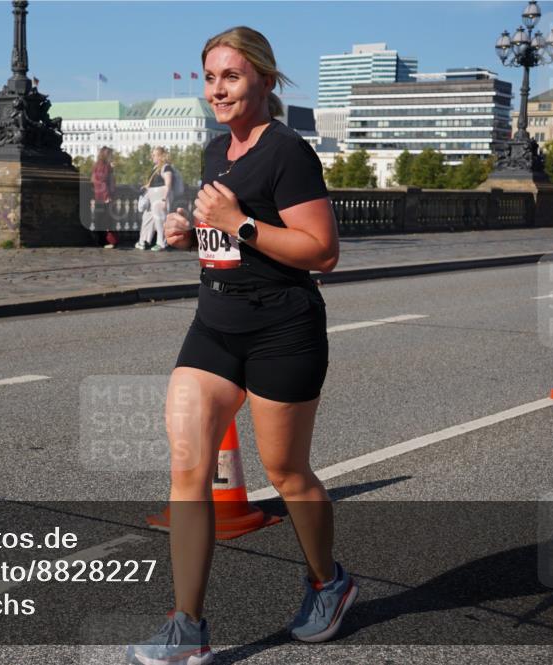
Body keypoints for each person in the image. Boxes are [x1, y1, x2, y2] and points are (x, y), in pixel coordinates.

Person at [126, 26, 350, 665]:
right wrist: (192, 235)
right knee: (187, 467)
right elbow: (224, 243)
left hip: (283, 329)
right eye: (210, 77)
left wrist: (238, 223)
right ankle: (187, 627)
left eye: (231, 76)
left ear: (265, 81)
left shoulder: (288, 153)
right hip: (216, 325)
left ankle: (328, 583)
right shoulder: (214, 150)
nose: (217, 90)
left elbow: (323, 251)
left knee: (287, 474)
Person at [135, 146, 174, 251]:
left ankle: (161, 243)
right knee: (148, 219)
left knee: (160, 220)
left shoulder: (166, 167)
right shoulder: (156, 168)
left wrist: (165, 199)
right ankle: (144, 241)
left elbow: (168, 184)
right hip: (153, 197)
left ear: (160, 156)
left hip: (160, 197)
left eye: (154, 155)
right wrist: (146, 187)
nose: (152, 157)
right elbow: (152, 183)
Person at [91, 146, 118, 248]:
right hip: (103, 197)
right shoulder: (104, 166)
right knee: (104, 220)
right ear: (106, 155)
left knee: (100, 219)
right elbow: (102, 181)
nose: (112, 156)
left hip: (99, 195)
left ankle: (101, 241)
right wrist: (107, 195)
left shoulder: (99, 165)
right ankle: (103, 241)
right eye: (111, 154)